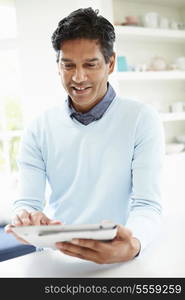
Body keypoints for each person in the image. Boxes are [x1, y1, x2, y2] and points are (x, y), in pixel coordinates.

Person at [5, 7, 165, 264]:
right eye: (68, 66)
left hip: (118, 259)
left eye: (90, 65)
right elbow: (27, 201)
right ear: (58, 66)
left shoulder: (141, 119)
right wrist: (26, 217)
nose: (78, 78)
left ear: (110, 63)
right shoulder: (39, 127)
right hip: (55, 260)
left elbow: (147, 205)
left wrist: (133, 244)